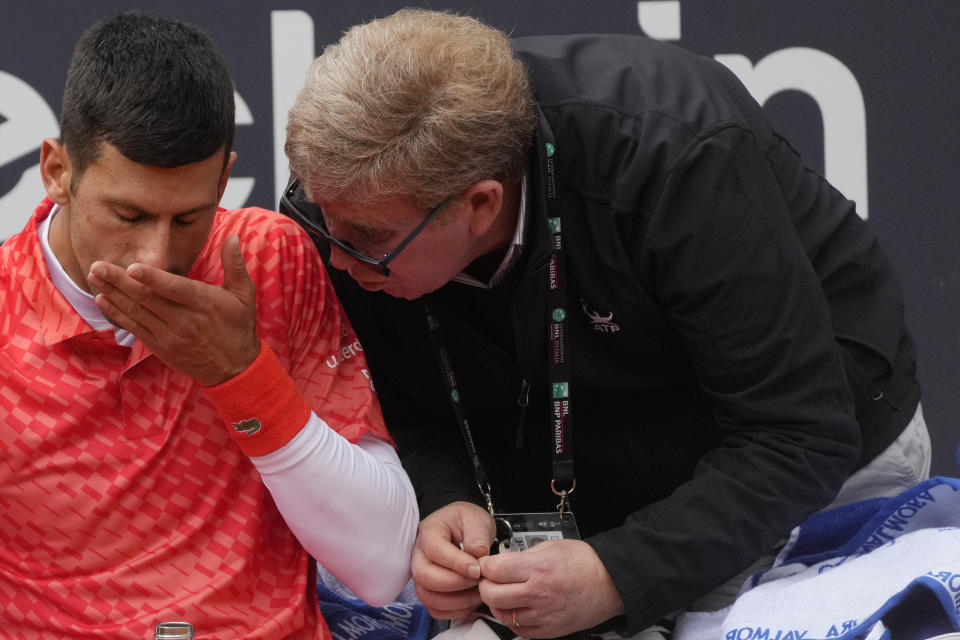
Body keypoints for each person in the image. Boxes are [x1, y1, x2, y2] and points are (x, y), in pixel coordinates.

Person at [281, 8, 930, 639]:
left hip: (810, 473)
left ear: (481, 204)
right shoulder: (348, 200)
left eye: (365, 239)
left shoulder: (675, 151)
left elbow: (797, 433)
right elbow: (392, 395)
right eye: (321, 220)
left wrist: (618, 573)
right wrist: (446, 500)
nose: (336, 258)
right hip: (572, 491)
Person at [0, 12, 418, 639]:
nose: (156, 259)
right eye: (128, 214)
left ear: (225, 178)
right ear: (58, 170)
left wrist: (241, 375)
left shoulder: (268, 257)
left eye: (189, 218)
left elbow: (382, 566)